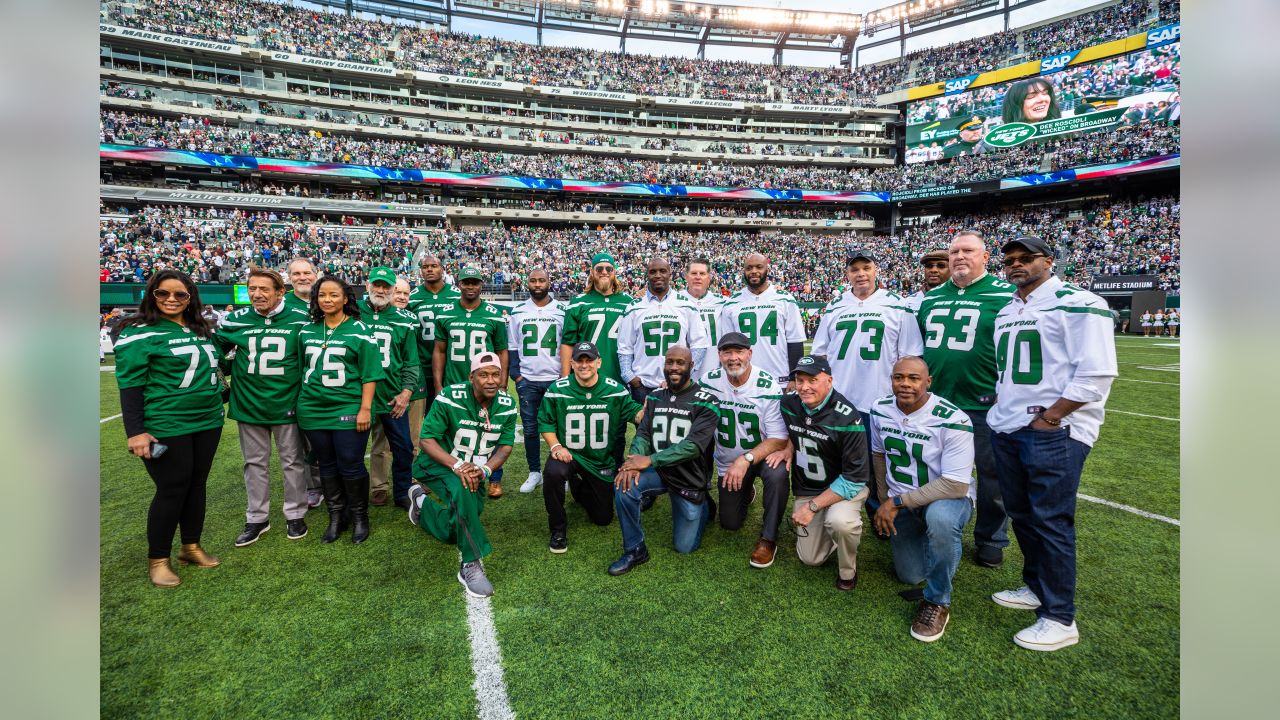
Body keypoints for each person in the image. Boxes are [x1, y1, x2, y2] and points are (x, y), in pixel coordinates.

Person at [988, 236, 1117, 652]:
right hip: (1009, 426)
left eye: (1026, 258)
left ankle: (1060, 616)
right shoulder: (1009, 308)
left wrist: (1051, 417)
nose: (1016, 265)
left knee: (1052, 520)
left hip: (1052, 431)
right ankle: (1037, 587)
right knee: (1023, 514)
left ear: (1048, 261)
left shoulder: (1080, 302)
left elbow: (1095, 375)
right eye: (1009, 260)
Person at [115, 269, 225, 588]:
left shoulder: (201, 328)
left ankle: (191, 546)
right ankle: (158, 560)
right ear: (152, 294)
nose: (171, 299)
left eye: (180, 294)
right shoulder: (140, 331)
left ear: (191, 298)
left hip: (207, 418)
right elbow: (131, 385)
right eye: (163, 293)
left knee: (197, 484)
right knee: (172, 488)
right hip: (167, 421)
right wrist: (135, 431)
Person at [916, 229, 1015, 569]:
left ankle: (991, 538)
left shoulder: (1007, 294)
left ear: (985, 257)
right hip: (938, 402)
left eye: (968, 251)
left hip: (984, 401)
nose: (959, 256)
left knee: (992, 474)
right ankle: (931, 526)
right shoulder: (930, 298)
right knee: (934, 469)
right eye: (954, 251)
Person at [868, 357, 975, 643]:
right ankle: (938, 547)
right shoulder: (879, 409)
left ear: (928, 382)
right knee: (909, 575)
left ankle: (938, 600)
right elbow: (878, 455)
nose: (905, 383)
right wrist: (882, 499)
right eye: (898, 377)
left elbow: (955, 484)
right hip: (899, 499)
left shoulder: (953, 418)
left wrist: (896, 502)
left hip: (945, 499)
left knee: (940, 520)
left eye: (914, 378)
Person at [812, 248, 923, 520]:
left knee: (877, 461)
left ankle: (876, 510)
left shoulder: (898, 305)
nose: (861, 273)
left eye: (866, 267)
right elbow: (820, 353)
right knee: (837, 457)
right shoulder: (835, 306)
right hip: (840, 398)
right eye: (855, 269)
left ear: (876, 270)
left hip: (880, 398)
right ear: (847, 273)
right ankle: (836, 505)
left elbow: (910, 357)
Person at [407, 352, 518, 598]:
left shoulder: (507, 404)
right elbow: (426, 440)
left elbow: (505, 446)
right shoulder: (450, 397)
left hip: (476, 470)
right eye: (483, 375)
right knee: (462, 490)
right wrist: (457, 465)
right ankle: (470, 563)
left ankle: (422, 507)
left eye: (495, 375)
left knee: (460, 520)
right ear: (471, 377)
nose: (491, 380)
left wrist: (486, 469)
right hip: (439, 463)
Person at [216, 267, 311, 546]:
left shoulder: (301, 318)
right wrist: (228, 373)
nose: (257, 294)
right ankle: (257, 517)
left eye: (264, 289)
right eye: (252, 289)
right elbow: (213, 351)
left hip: (286, 402)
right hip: (248, 403)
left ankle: (295, 513)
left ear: (281, 291)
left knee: (292, 462)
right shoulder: (235, 320)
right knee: (254, 463)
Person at [609, 346, 721, 575]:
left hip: (688, 475)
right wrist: (632, 462)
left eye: (680, 363)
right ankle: (635, 549)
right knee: (624, 484)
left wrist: (649, 459)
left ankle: (704, 502)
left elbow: (692, 447)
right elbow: (643, 433)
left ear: (691, 366)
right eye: (670, 362)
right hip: (659, 472)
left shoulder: (707, 401)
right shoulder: (655, 397)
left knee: (684, 547)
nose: (674, 368)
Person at [769, 356, 871, 591]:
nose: (804, 387)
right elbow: (798, 428)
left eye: (812, 380)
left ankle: (848, 571)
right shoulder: (789, 403)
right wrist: (788, 447)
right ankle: (830, 532)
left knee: (841, 522)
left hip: (845, 486)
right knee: (810, 559)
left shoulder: (847, 417)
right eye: (800, 379)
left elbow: (855, 478)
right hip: (809, 486)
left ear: (829, 380)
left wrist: (812, 507)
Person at [296, 277, 384, 544]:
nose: (327, 300)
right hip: (312, 408)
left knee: (351, 463)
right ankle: (336, 516)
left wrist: (365, 409)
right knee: (327, 464)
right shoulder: (308, 330)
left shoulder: (360, 330)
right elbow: (303, 369)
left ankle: (359, 516)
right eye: (322, 295)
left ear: (346, 298)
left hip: (348, 406)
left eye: (334, 295)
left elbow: (370, 374)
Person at [537, 342, 644, 553]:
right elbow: (545, 421)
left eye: (589, 360)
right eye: (579, 360)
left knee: (603, 518)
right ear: (572, 363)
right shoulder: (558, 389)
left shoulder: (614, 390)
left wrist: (655, 404)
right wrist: (556, 446)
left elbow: (636, 414)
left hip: (600, 460)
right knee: (553, 472)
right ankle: (558, 529)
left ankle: (578, 487)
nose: (584, 365)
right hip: (570, 455)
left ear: (599, 362)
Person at [697, 333, 789, 569]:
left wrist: (745, 459)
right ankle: (746, 489)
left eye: (739, 352)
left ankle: (768, 539)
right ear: (719, 356)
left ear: (749, 354)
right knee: (729, 523)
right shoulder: (709, 381)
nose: (733, 358)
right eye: (727, 352)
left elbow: (779, 438)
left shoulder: (766, 385)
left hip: (762, 456)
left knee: (777, 474)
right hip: (730, 462)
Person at [433, 266, 510, 497]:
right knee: (453, 433)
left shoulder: (493, 314)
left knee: (491, 431)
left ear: (481, 285)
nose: (470, 286)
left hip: (485, 384)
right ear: (458, 283)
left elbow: (502, 351)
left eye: (474, 282)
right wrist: (438, 385)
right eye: (466, 282)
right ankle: (453, 475)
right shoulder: (446, 313)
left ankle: (494, 478)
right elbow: (439, 350)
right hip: (454, 381)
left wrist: (502, 383)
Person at [560, 252, 635, 466]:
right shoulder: (578, 303)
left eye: (608, 269)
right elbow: (567, 343)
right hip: (584, 378)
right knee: (584, 430)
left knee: (617, 433)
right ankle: (581, 472)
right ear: (592, 272)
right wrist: (565, 378)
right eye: (599, 268)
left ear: (614, 273)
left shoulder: (629, 303)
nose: (604, 272)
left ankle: (614, 472)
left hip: (618, 378)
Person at [360, 268, 420, 510]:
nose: (381, 290)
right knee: (353, 449)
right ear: (368, 285)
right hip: (359, 397)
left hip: (392, 395)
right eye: (377, 285)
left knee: (404, 447)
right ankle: (367, 491)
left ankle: (402, 491)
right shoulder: (352, 314)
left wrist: (406, 392)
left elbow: (411, 361)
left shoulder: (404, 320)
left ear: (393, 289)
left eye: (387, 286)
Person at [617, 257, 709, 403]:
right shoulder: (634, 307)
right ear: (647, 275)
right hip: (642, 385)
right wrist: (630, 377)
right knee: (644, 425)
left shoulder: (686, 305)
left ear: (670, 274)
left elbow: (699, 344)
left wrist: (684, 374)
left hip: (677, 383)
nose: (658, 275)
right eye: (653, 271)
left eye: (662, 271)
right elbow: (625, 347)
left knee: (677, 425)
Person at [507, 268, 565, 493]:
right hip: (528, 379)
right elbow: (512, 345)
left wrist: (564, 376)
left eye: (542, 280)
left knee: (560, 427)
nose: (538, 284)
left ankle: (562, 470)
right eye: (533, 280)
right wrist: (517, 376)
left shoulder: (562, 310)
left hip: (555, 378)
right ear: (527, 283)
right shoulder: (518, 310)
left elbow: (567, 344)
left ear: (549, 282)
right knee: (530, 428)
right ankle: (534, 472)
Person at [718, 253, 806, 384]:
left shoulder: (785, 299)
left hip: (780, 378)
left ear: (767, 269)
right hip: (743, 379)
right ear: (744, 271)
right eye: (749, 268)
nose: (754, 271)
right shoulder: (731, 303)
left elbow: (795, 342)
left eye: (759, 267)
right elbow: (727, 347)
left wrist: (793, 378)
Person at [405, 255, 460, 443]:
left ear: (442, 269)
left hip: (450, 367)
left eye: (434, 266)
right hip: (421, 367)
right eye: (425, 266)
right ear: (420, 271)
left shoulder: (456, 295)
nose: (429, 269)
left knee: (450, 416)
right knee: (419, 421)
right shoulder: (412, 298)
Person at [285, 257, 324, 508]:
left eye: (307, 272)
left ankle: (325, 483)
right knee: (296, 446)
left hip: (323, 384)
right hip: (292, 385)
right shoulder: (282, 304)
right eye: (296, 273)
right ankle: (311, 487)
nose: (302, 277)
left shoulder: (325, 300)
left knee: (322, 442)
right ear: (289, 278)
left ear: (316, 273)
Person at [683, 256, 726, 377]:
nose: (697, 277)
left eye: (702, 273)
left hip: (713, 372)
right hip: (683, 374)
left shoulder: (723, 302)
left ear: (709, 278)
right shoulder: (674, 301)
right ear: (686, 277)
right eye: (693, 273)